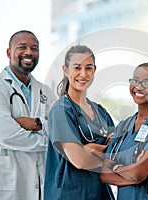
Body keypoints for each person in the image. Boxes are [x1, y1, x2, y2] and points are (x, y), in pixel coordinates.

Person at [0, 30, 57, 200]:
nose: (29, 52)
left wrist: (35, 123)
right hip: (6, 186)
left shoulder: (46, 92)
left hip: (40, 185)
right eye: (22, 47)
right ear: (9, 52)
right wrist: (49, 141)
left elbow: (58, 129)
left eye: (34, 48)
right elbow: (5, 136)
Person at [44, 45, 115, 200]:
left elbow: (117, 157)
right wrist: (106, 150)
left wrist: (91, 149)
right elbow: (80, 160)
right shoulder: (61, 110)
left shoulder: (101, 112)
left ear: (94, 70)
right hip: (70, 194)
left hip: (101, 194)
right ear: (65, 69)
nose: (83, 74)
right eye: (77, 68)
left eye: (88, 68)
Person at [101, 63, 148, 200]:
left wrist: (116, 167)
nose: (139, 87)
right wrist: (131, 171)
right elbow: (104, 174)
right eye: (135, 81)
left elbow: (138, 172)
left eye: (147, 83)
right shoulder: (124, 126)